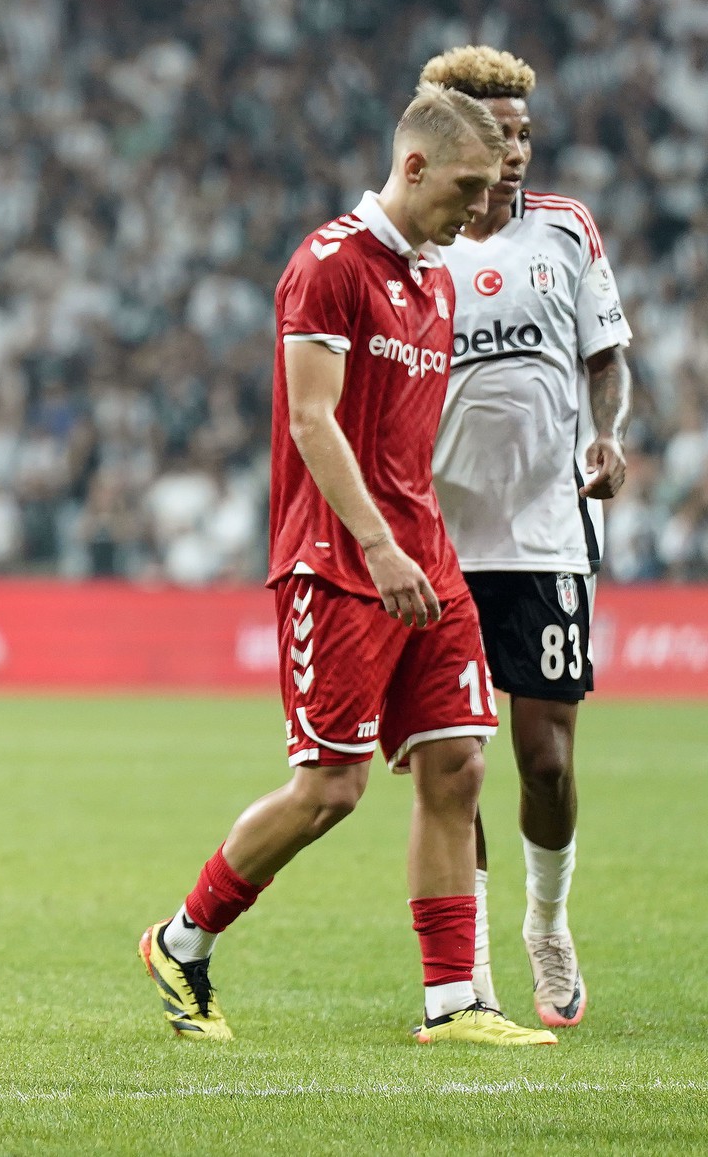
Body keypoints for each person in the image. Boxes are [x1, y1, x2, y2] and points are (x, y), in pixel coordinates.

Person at [137, 82, 556, 1046]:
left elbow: (414, 437)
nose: (476, 208)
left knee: (456, 764)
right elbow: (312, 418)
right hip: (339, 561)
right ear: (412, 167)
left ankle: (455, 1002)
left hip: (427, 561)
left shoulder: (438, 279)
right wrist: (378, 542)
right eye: (465, 186)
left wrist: (429, 539)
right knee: (332, 787)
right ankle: (183, 937)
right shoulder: (327, 266)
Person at [423, 45, 632, 1028]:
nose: (512, 153)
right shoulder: (414, 244)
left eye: (522, 136)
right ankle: (466, 972)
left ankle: (545, 922)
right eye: (494, 136)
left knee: (543, 760)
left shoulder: (563, 230)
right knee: (452, 760)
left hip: (547, 532)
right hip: (441, 539)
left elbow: (605, 357)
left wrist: (606, 434)